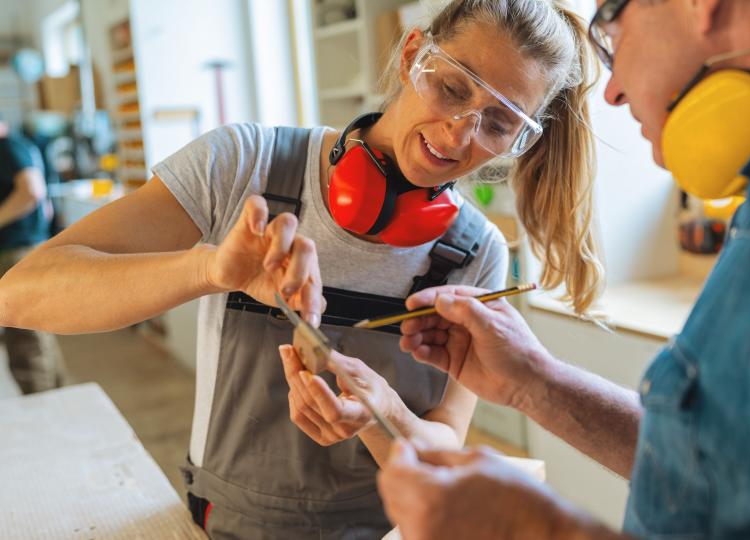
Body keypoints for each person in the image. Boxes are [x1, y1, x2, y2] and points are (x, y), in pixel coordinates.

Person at [0, 0, 601, 537]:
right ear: (414, 55)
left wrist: (381, 414)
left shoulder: (476, 254)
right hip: (231, 523)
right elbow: (21, 294)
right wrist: (210, 269)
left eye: (499, 124)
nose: (460, 133)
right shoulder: (245, 165)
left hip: (390, 526)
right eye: (452, 88)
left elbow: (445, 441)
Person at [376, 0, 750, 539]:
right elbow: (735, 468)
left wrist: (538, 528)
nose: (615, 92)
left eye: (614, 32)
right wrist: (537, 384)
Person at [0, 116, 65, 394]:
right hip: (25, 247)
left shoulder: (7, 147)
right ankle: (55, 397)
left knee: (25, 335)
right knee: (36, 330)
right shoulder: (19, 146)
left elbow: (32, 191)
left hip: (17, 249)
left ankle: (44, 405)